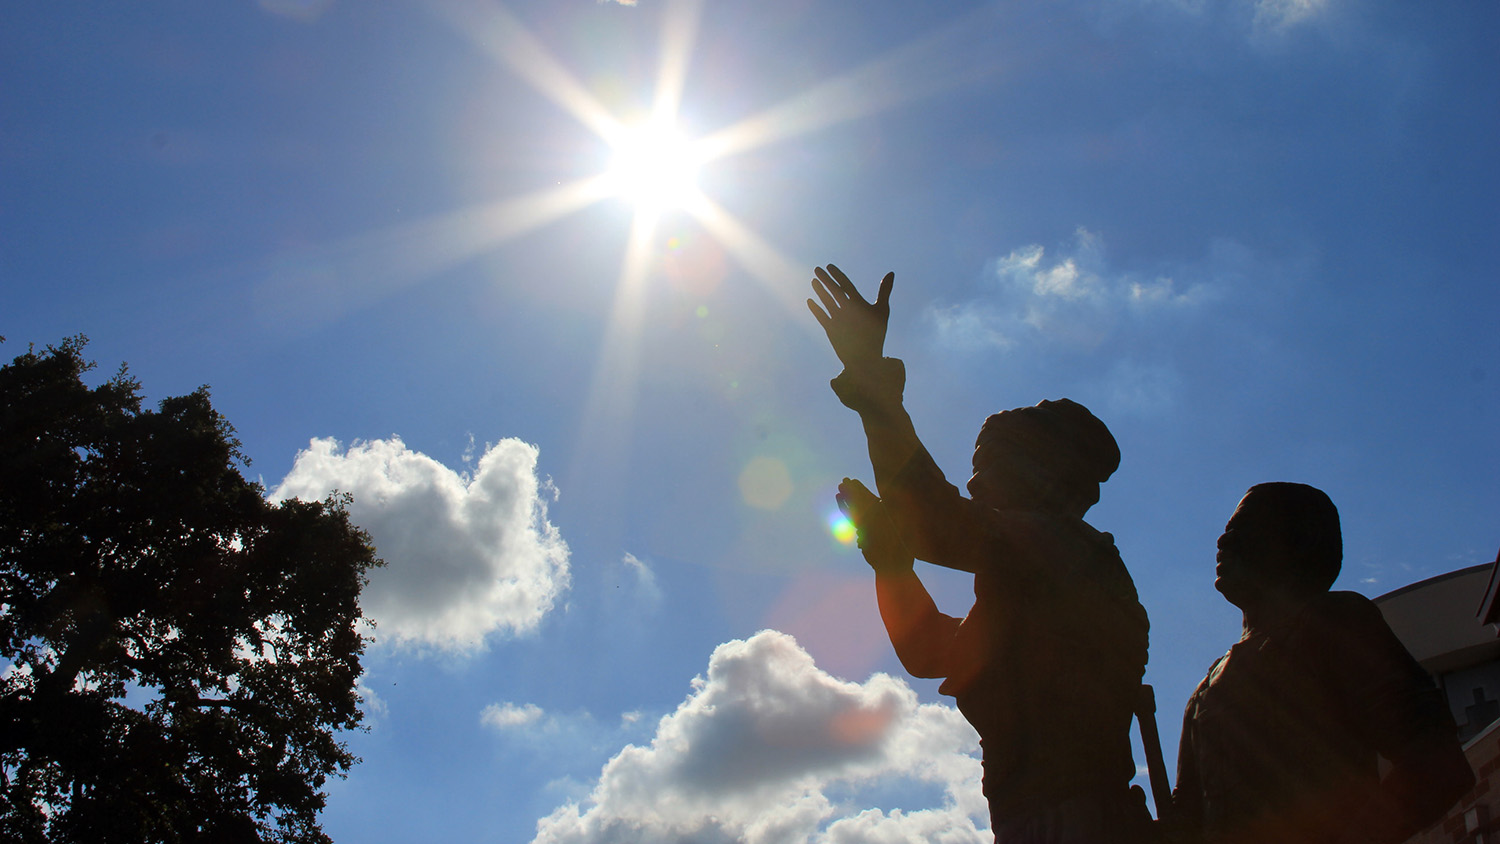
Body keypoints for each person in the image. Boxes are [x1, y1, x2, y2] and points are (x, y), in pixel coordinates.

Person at [808, 264, 1155, 843]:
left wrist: (871, 381)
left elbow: (934, 519)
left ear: (1049, 477)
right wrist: (891, 564)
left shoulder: (1066, 554)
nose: (973, 490)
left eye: (989, 471)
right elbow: (932, 650)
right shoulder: (1030, 575)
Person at [1171, 482, 1475, 844]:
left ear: (1300, 542)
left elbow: (1436, 762)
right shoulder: (1205, 691)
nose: (1223, 543)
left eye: (1242, 531)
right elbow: (1186, 821)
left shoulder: (1334, 623)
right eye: (1225, 533)